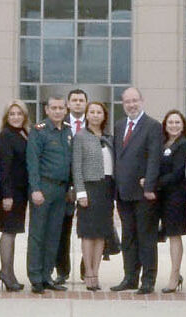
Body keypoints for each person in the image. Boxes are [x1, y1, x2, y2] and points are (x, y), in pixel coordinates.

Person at [110, 87, 161, 294]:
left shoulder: (153, 126)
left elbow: (154, 158)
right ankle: (130, 277)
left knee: (146, 237)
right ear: (123, 104)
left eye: (135, 101)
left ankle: (148, 279)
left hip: (143, 193)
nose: (131, 105)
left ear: (142, 101)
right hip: (123, 193)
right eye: (127, 102)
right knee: (128, 237)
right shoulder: (120, 125)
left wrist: (149, 185)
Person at [26, 96, 72, 294]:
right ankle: (35, 277)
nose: (57, 111)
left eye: (61, 108)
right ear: (46, 109)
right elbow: (33, 162)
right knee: (38, 235)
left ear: (66, 109)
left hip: (61, 191)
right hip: (43, 188)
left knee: (54, 235)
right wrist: (35, 189)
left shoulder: (68, 131)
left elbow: (70, 162)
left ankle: (47, 276)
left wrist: (71, 187)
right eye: (53, 108)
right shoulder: (39, 131)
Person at [73, 101, 115, 292]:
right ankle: (88, 272)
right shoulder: (81, 137)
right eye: (92, 112)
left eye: (99, 112)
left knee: (101, 233)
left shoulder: (109, 138)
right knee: (88, 233)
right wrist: (80, 192)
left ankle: (96, 272)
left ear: (104, 115)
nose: (96, 115)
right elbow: (76, 167)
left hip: (106, 188)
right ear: (87, 115)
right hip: (89, 189)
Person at [0, 100, 31, 291]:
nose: (16, 117)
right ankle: (6, 273)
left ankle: (9, 272)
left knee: (14, 231)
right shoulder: (5, 136)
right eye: (12, 114)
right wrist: (6, 195)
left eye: (19, 114)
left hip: (21, 192)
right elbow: (4, 168)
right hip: (10, 193)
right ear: (6, 117)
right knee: (8, 231)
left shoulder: (23, 134)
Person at [54, 89, 88, 285]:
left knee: (88, 229)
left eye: (81, 100)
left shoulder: (93, 123)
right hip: (64, 185)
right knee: (62, 229)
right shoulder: (59, 125)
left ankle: (87, 270)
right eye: (74, 100)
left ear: (86, 103)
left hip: (87, 183)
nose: (77, 103)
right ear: (68, 103)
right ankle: (62, 271)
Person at [156, 110, 186, 293]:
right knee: (170, 236)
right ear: (165, 124)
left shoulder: (184, 145)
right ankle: (175, 274)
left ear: (183, 125)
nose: (174, 125)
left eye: (178, 122)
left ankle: (174, 276)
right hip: (162, 197)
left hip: (176, 197)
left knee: (174, 237)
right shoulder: (163, 143)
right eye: (171, 122)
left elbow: (178, 173)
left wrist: (154, 183)